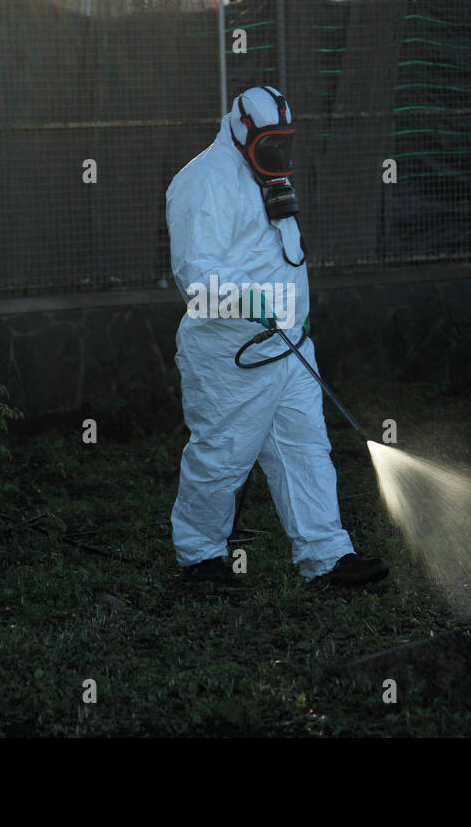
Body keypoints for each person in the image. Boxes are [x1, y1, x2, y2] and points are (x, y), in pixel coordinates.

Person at [164, 85, 389, 587]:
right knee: (222, 456)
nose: (279, 153)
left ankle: (327, 556)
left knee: (307, 450)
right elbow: (195, 274)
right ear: (242, 129)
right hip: (230, 356)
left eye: (285, 141)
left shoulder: (268, 175)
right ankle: (200, 558)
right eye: (270, 142)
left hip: (289, 348)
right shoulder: (204, 181)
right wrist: (251, 301)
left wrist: (291, 318)